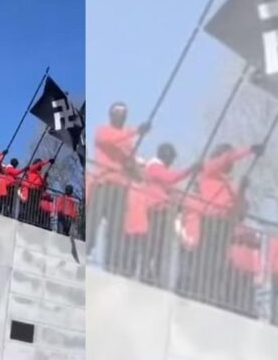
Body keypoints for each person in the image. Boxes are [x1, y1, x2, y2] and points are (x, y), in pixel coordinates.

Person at [192, 143, 263, 302]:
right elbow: (226, 158)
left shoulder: (229, 184)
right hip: (211, 219)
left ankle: (211, 293)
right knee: (207, 257)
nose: (232, 163)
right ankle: (200, 290)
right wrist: (249, 150)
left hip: (225, 223)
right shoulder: (209, 170)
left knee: (218, 260)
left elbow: (240, 210)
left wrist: (242, 189)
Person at [123, 143, 200, 284]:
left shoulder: (160, 169)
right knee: (152, 243)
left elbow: (171, 187)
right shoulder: (154, 167)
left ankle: (154, 274)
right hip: (155, 211)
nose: (172, 162)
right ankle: (146, 272)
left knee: (159, 246)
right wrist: (189, 170)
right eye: (171, 158)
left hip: (163, 211)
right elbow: (170, 178)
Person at [88, 102, 150, 268]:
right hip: (103, 183)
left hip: (120, 188)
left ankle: (112, 263)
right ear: (111, 115)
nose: (121, 116)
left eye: (124, 113)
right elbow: (110, 141)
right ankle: (83, 252)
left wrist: (133, 168)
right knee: (92, 221)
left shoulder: (128, 141)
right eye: (117, 112)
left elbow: (132, 164)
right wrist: (136, 131)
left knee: (116, 229)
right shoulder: (102, 130)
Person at [17, 158, 53, 225]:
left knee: (35, 207)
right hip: (32, 190)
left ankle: (32, 220)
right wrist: (47, 161)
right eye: (40, 165)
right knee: (30, 206)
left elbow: (43, 185)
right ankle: (28, 219)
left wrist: (45, 177)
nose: (41, 166)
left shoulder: (40, 176)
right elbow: (38, 165)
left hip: (37, 192)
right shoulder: (31, 170)